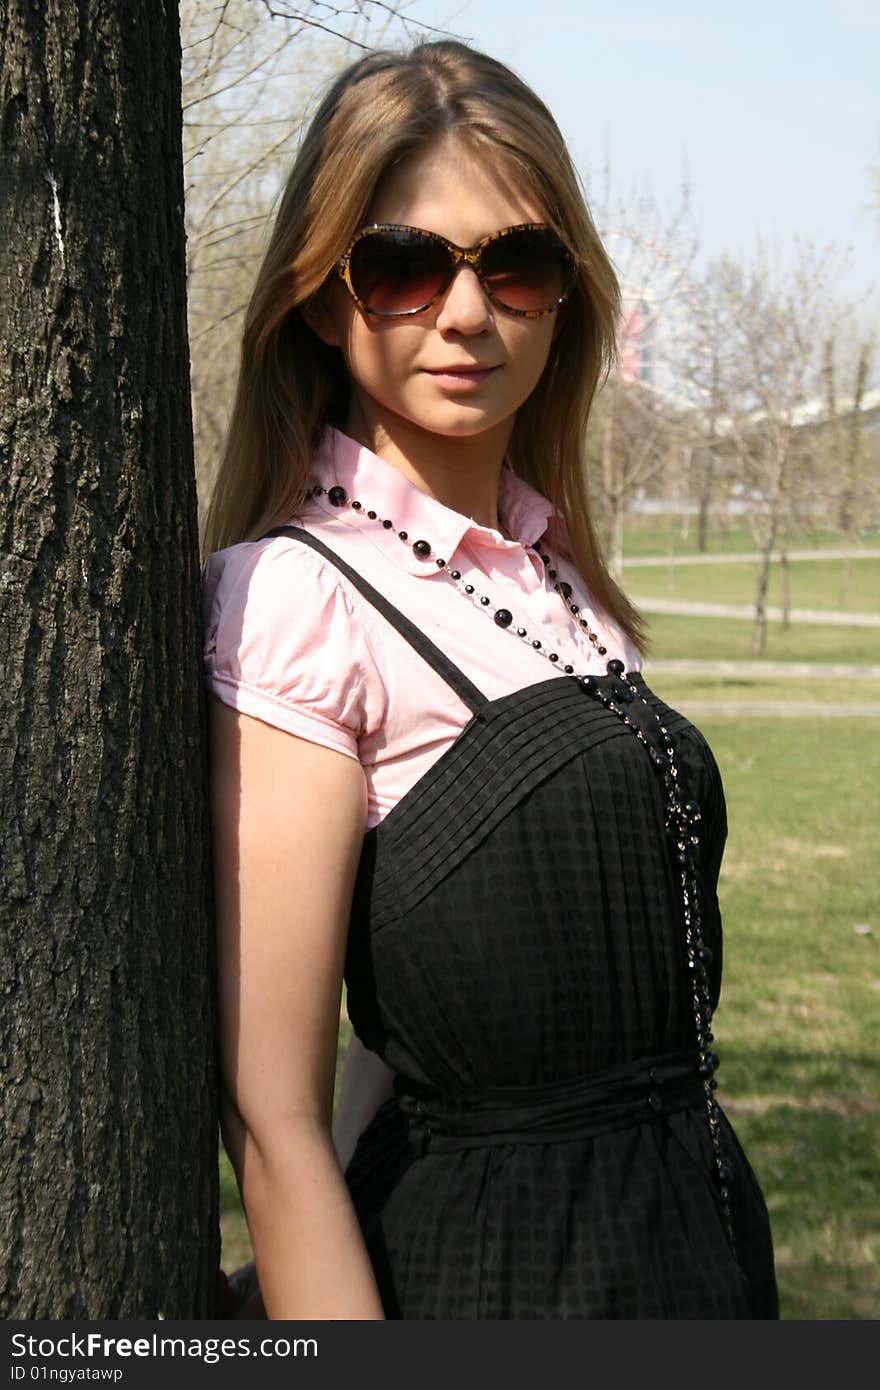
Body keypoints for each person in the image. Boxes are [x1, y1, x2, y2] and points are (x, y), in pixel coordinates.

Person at [200, 39, 779, 1319]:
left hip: (691, 1253)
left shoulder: (562, 579)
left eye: (514, 264)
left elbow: (404, 1040)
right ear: (317, 292)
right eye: (403, 266)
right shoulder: (297, 600)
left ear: (566, 295)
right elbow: (278, 1114)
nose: (466, 313)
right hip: (504, 1284)